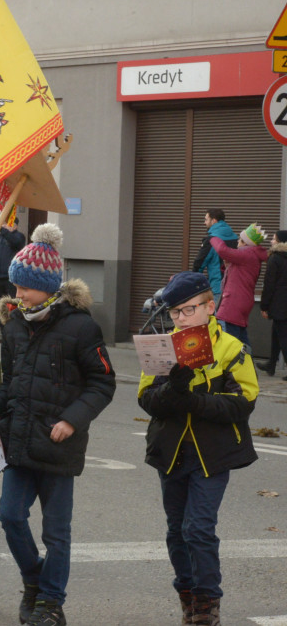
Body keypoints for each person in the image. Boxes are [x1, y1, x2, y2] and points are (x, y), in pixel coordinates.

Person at [0, 224, 115, 626]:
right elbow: (10, 384)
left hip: (60, 445)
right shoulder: (13, 325)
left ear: (48, 285)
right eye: (16, 285)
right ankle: (34, 579)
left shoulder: (81, 327)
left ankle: (50, 602)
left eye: (25, 286)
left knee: (56, 533)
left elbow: (102, 382)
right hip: (20, 442)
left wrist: (71, 420)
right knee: (10, 517)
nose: (18, 294)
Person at [137, 271, 258, 626]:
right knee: (176, 530)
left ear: (210, 306)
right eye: (175, 313)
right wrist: (173, 388)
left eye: (188, 310)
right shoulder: (163, 347)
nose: (181, 319)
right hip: (171, 452)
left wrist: (192, 400)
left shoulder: (231, 348)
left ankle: (207, 601)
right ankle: (186, 592)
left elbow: (244, 402)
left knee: (199, 528)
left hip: (213, 454)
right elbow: (147, 400)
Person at [210, 223, 267, 349]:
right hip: (242, 300)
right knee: (241, 337)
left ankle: (236, 366)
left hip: (235, 301)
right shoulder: (252, 255)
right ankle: (248, 364)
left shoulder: (246, 253)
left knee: (233, 341)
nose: (237, 241)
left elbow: (222, 250)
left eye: (240, 240)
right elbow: (240, 276)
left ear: (246, 243)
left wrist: (212, 238)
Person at [192, 209, 237, 302]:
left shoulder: (211, 240)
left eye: (206, 219)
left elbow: (199, 263)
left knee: (217, 315)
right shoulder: (235, 237)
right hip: (234, 285)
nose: (204, 223)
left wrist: (194, 282)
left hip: (218, 286)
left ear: (214, 221)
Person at [259, 230, 287, 378]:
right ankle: (271, 364)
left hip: (279, 304)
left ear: (280, 242)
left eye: (274, 239)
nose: (271, 241)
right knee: (276, 334)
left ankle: (271, 364)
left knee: (283, 336)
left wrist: (264, 306)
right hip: (283, 304)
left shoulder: (275, 259)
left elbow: (269, 285)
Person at [0, 217, 26, 303]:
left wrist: (2, 230)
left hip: (11, 278)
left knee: (12, 303)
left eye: (7, 224)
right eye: (4, 224)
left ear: (15, 226)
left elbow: (15, 242)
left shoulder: (19, 236)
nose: (5, 226)